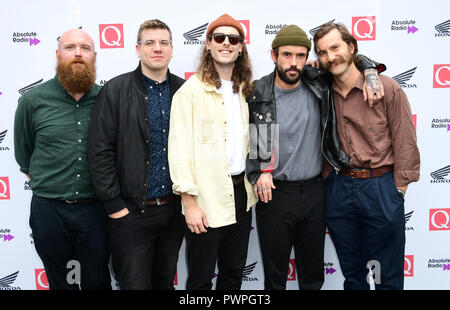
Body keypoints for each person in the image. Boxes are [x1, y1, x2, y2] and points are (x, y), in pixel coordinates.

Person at [246, 25, 385, 290]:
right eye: (286, 55)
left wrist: (369, 70)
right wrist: (260, 170)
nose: (293, 62)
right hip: (274, 194)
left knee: (312, 277)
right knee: (275, 278)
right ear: (273, 55)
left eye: (300, 55)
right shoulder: (258, 91)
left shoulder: (318, 82)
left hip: (314, 191)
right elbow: (252, 138)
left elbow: (348, 62)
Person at [313, 22, 420, 290]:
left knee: (386, 276)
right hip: (339, 189)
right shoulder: (321, 90)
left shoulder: (387, 88)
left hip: (380, 188)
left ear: (351, 47)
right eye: (323, 52)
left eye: (335, 47)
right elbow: (291, 70)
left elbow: (405, 139)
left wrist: (398, 191)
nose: (330, 57)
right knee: (353, 274)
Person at [87, 19, 185, 290]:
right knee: (133, 285)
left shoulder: (184, 91)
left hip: (174, 211)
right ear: (138, 49)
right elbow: (99, 151)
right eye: (150, 43)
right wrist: (115, 207)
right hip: (131, 214)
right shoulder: (115, 90)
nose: (157, 48)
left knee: (164, 282)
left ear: (172, 49)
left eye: (163, 43)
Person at [14, 28, 111, 290]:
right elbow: (24, 154)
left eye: (85, 48)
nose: (77, 53)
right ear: (58, 54)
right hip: (49, 211)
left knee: (97, 281)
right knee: (62, 283)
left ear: (94, 56)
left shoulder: (107, 98)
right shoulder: (33, 101)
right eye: (70, 47)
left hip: (96, 210)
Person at [168, 13, 257, 290]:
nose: (226, 43)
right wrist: (189, 203)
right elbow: (179, 150)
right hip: (204, 199)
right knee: (200, 280)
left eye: (233, 39)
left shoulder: (245, 89)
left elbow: (260, 136)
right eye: (219, 38)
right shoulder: (190, 92)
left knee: (233, 275)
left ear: (240, 46)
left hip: (241, 196)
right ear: (208, 44)